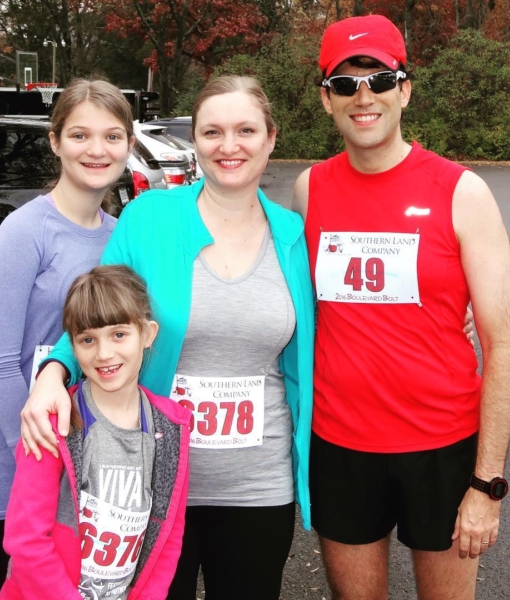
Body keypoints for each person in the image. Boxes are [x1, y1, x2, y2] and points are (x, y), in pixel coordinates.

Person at [20, 75, 315, 600]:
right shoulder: (149, 218)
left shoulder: (292, 234)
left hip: (258, 486)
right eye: (212, 132)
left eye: (245, 130)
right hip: (150, 483)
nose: (229, 146)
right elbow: (98, 317)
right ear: (194, 141)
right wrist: (52, 372)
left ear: (270, 138)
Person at [292, 14, 510, 600]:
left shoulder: (462, 192)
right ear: (326, 100)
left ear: (405, 89)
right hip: (340, 445)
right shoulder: (309, 190)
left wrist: (487, 483)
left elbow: (502, 345)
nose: (363, 97)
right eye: (345, 84)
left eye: (379, 80)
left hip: (441, 447)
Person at [0, 79, 135, 600]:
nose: (97, 150)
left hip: (88, 474)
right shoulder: (24, 231)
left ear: (129, 144)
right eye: (80, 135)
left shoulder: (117, 236)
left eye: (112, 136)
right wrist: (45, 469)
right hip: (14, 468)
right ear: (55, 141)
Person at [0, 265, 190, 600]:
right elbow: (26, 540)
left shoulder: (172, 427)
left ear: (147, 334)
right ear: (72, 346)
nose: (104, 354)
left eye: (119, 334)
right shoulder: (52, 424)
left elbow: (168, 536)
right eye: (88, 339)